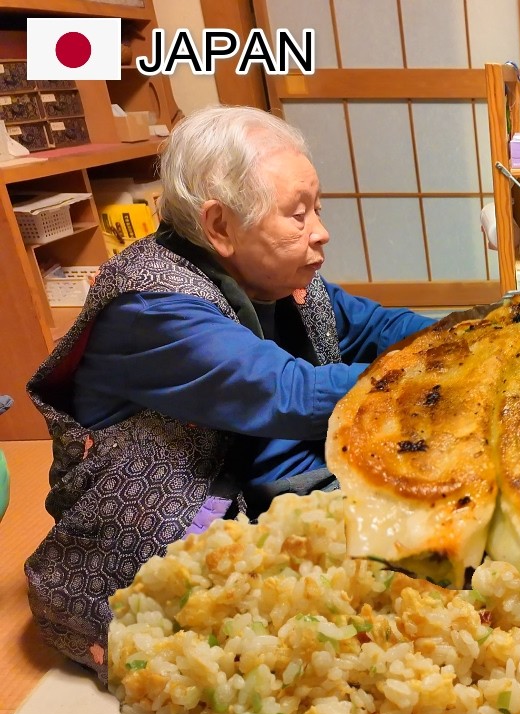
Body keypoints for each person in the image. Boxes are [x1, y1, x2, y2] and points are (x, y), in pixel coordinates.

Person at [24, 105, 437, 682]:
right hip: (163, 519)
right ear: (219, 226)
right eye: (297, 215)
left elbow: (374, 327)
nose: (320, 230)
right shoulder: (152, 303)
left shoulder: (277, 275)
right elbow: (288, 394)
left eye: (317, 209)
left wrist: (474, 333)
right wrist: (439, 377)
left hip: (258, 475)